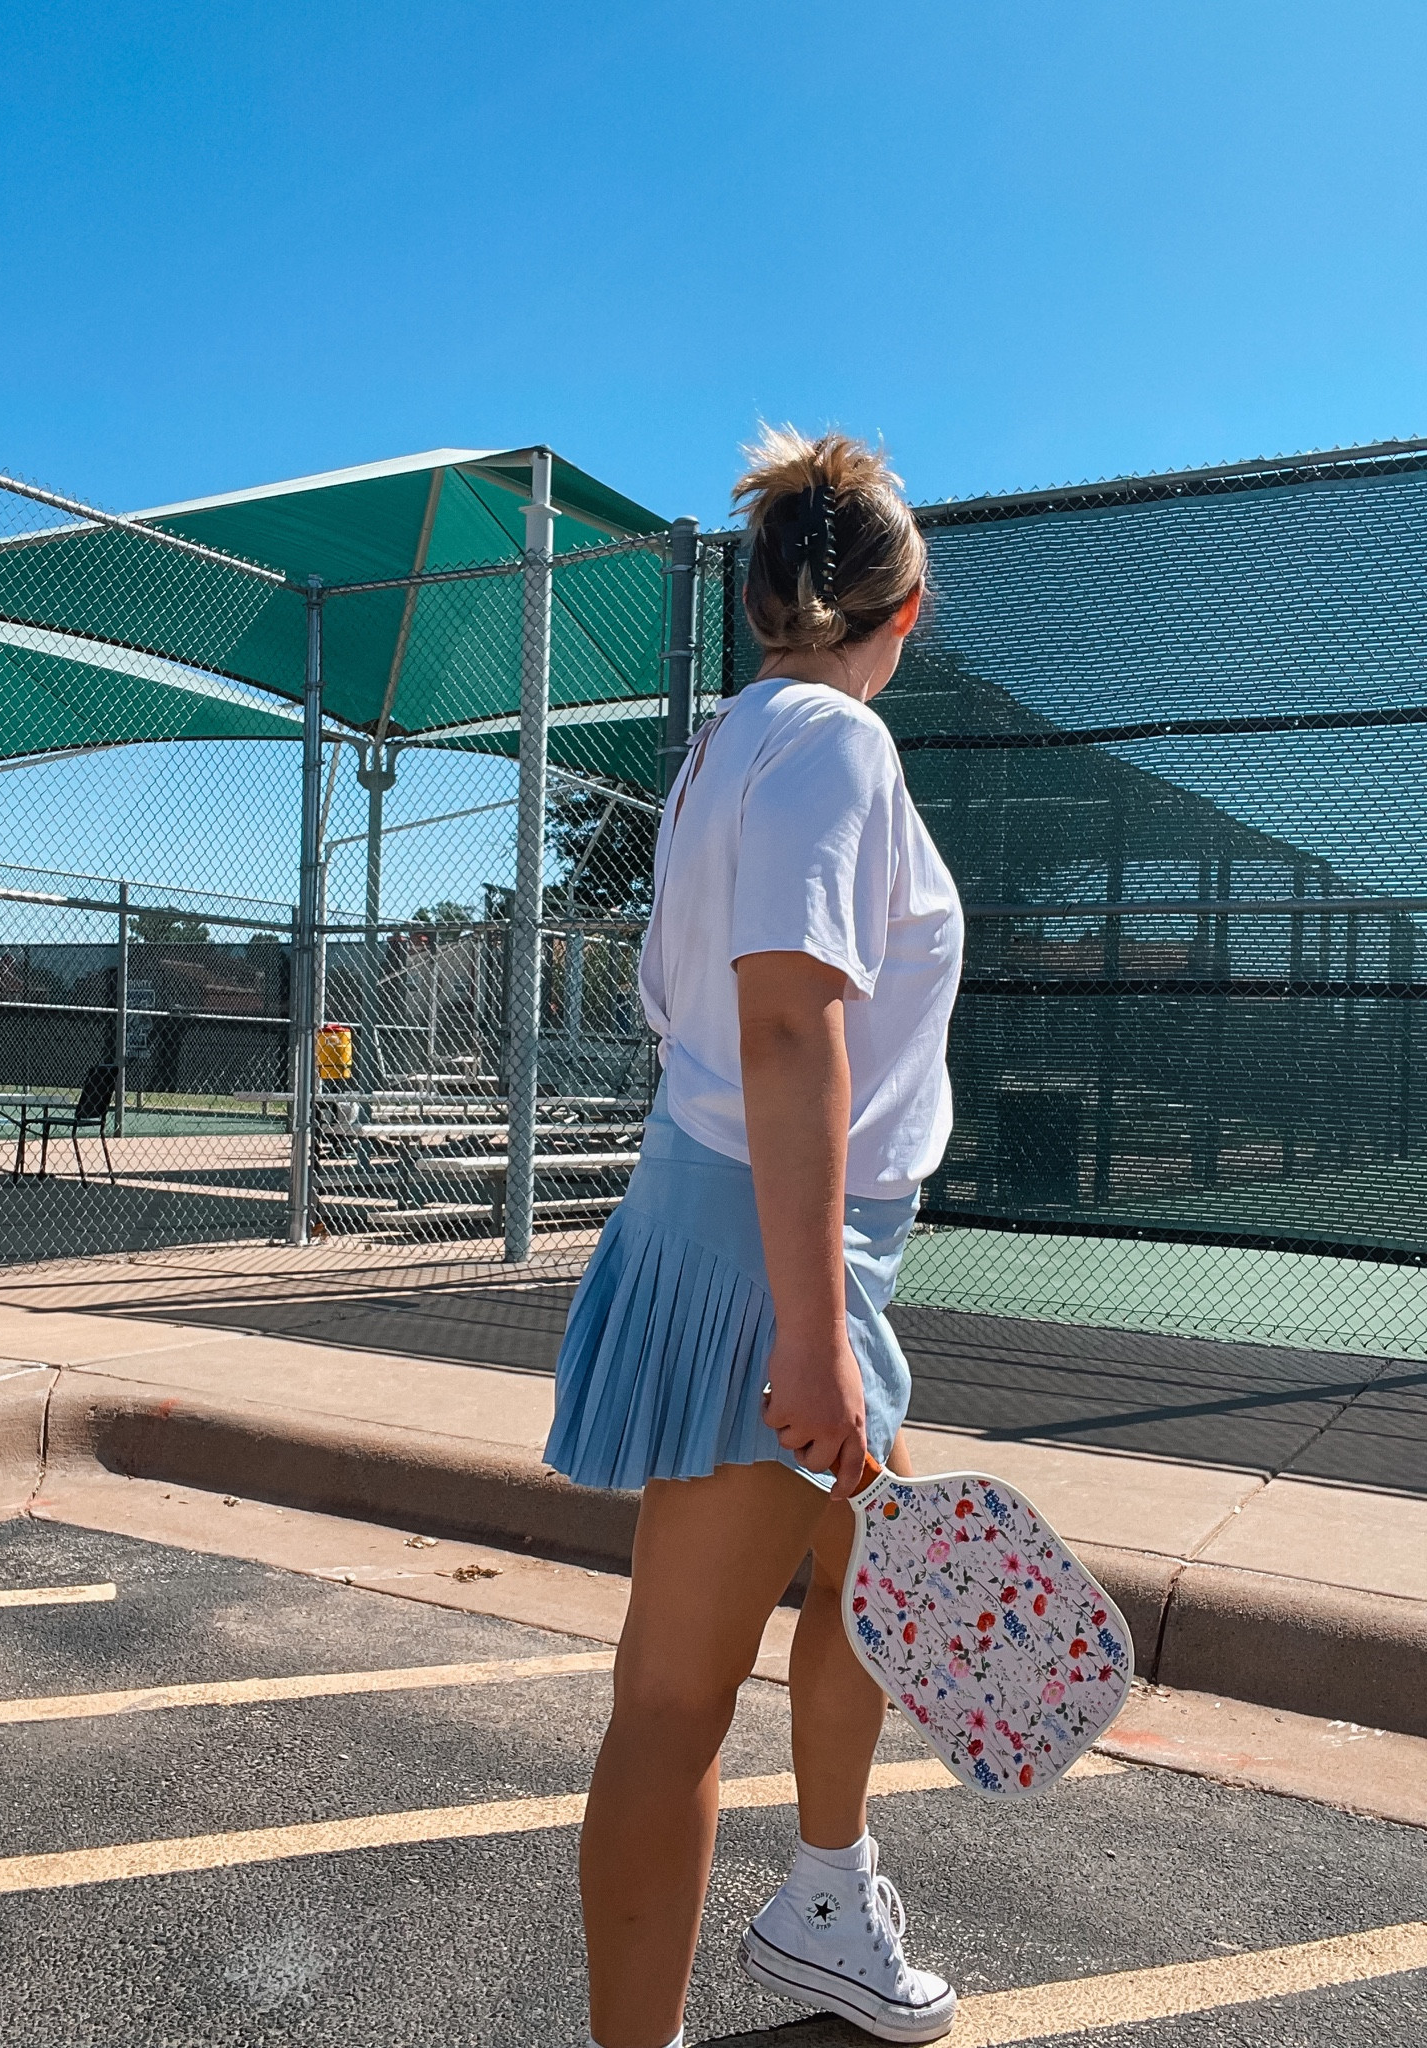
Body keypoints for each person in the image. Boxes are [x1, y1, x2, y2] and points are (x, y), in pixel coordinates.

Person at [545, 427, 965, 2048]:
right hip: (774, 1255)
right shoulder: (836, 752)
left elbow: (717, 1017)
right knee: (672, 1699)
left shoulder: (731, 743)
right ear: (904, 610)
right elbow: (788, 1030)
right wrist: (805, 1331)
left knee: (877, 1570)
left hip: (770, 1230)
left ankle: (823, 1897)